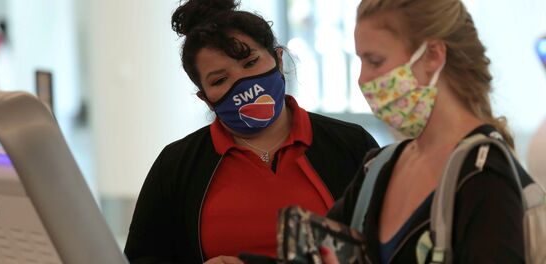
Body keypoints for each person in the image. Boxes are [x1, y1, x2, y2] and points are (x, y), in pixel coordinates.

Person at [123, 0, 378, 263]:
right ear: (205, 98)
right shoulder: (175, 166)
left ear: (278, 60)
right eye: (220, 80)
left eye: (250, 63)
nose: (244, 85)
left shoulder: (351, 145)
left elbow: (389, 247)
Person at [323, 0, 534, 263]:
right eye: (360, 60)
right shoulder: (378, 168)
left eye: (375, 61)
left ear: (433, 55)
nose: (362, 79)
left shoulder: (485, 176)